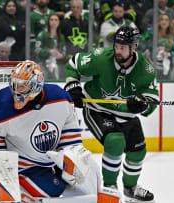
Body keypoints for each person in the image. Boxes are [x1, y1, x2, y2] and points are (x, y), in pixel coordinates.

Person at [64, 26, 158, 202]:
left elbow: (151, 101)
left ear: (134, 47)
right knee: (115, 141)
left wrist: (142, 105)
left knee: (138, 151)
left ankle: (130, 188)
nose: (118, 50)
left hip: (126, 115)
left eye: (123, 47)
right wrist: (73, 85)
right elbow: (73, 63)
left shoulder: (145, 70)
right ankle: (109, 188)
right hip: (97, 109)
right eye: (116, 45)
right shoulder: (101, 58)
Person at [0, 60, 101, 201]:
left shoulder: (60, 98)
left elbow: (71, 139)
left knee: (89, 167)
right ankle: (19, 191)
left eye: (23, 86)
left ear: (36, 85)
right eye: (15, 84)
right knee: (53, 188)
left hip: (51, 163)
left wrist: (69, 159)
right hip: (24, 169)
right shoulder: (0, 108)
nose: (16, 89)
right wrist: (2, 179)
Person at [34, 14, 66, 79]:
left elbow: (64, 51)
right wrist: (48, 51)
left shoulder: (61, 36)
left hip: (57, 63)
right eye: (51, 20)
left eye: (56, 20)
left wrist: (60, 55)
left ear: (59, 22)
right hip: (42, 62)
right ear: (48, 22)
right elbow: (37, 50)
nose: (54, 22)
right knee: (43, 76)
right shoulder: (42, 34)